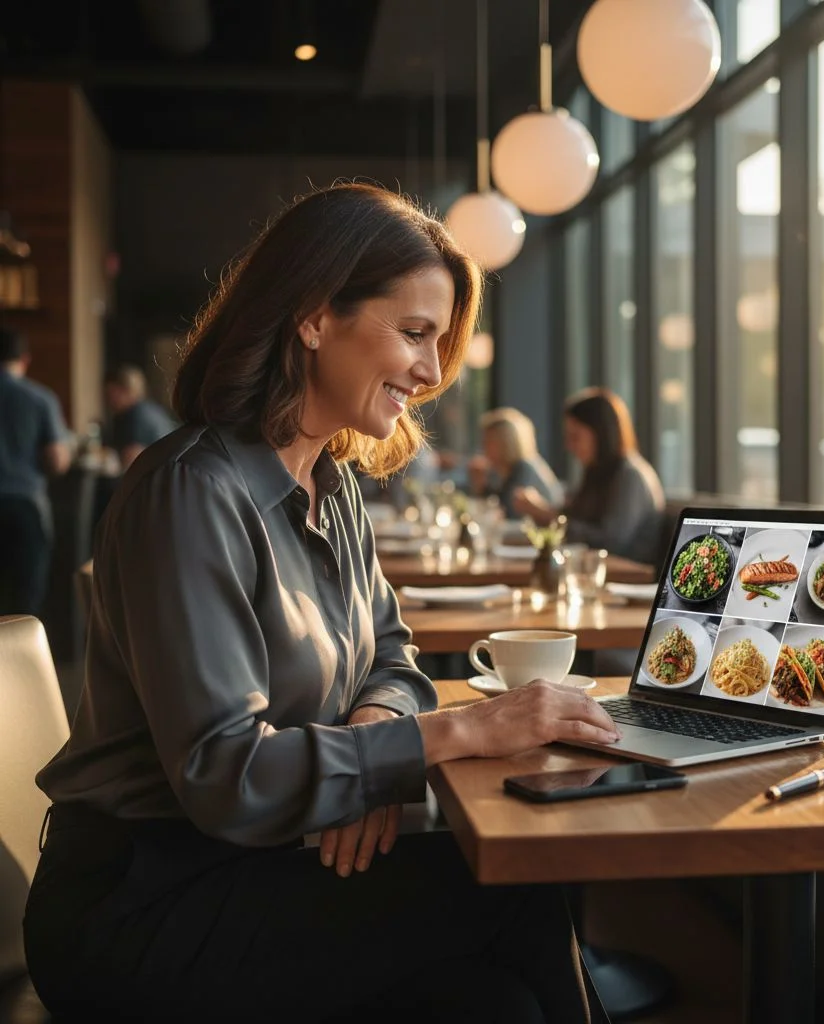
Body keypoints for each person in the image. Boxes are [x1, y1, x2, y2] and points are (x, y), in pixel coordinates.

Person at [24, 183, 620, 1024]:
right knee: (505, 894)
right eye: (414, 332)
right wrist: (455, 732)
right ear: (312, 315)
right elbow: (224, 774)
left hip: (255, 865)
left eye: (439, 341)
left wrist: (380, 736)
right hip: (140, 905)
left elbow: (394, 655)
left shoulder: (330, 484)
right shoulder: (190, 491)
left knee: (498, 999)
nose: (429, 368)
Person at [513, 387, 665, 564]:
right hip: (593, 569)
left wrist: (547, 515)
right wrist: (543, 513)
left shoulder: (630, 476)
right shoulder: (596, 473)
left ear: (602, 434)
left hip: (624, 574)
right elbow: (574, 517)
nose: (569, 445)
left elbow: (611, 542)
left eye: (575, 436)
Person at [0, 327, 71, 615]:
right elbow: (57, 460)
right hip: (24, 507)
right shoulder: (40, 399)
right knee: (23, 604)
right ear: (25, 359)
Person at [468, 407, 564, 520]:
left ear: (505, 442)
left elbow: (507, 512)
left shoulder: (523, 468)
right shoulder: (503, 471)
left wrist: (482, 488)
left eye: (489, 441)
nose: (484, 447)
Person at [102, 363, 177, 470]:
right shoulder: (150, 408)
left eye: (112, 393)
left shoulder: (138, 414)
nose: (109, 399)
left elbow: (131, 457)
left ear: (126, 390)